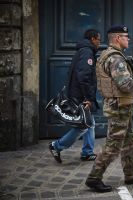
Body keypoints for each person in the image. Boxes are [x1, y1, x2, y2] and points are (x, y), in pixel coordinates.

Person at [85, 25, 133, 193]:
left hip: (123, 106)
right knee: (113, 145)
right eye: (125, 36)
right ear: (117, 38)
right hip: (119, 107)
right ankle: (94, 177)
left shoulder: (111, 55)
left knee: (130, 142)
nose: (128, 39)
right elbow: (126, 83)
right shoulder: (115, 59)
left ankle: (131, 174)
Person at [48, 29, 101, 163]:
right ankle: (57, 146)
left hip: (77, 93)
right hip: (80, 95)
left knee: (89, 123)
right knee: (83, 125)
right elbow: (83, 76)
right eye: (99, 40)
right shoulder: (87, 53)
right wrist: (88, 98)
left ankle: (87, 152)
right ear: (93, 39)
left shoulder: (83, 51)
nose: (100, 43)